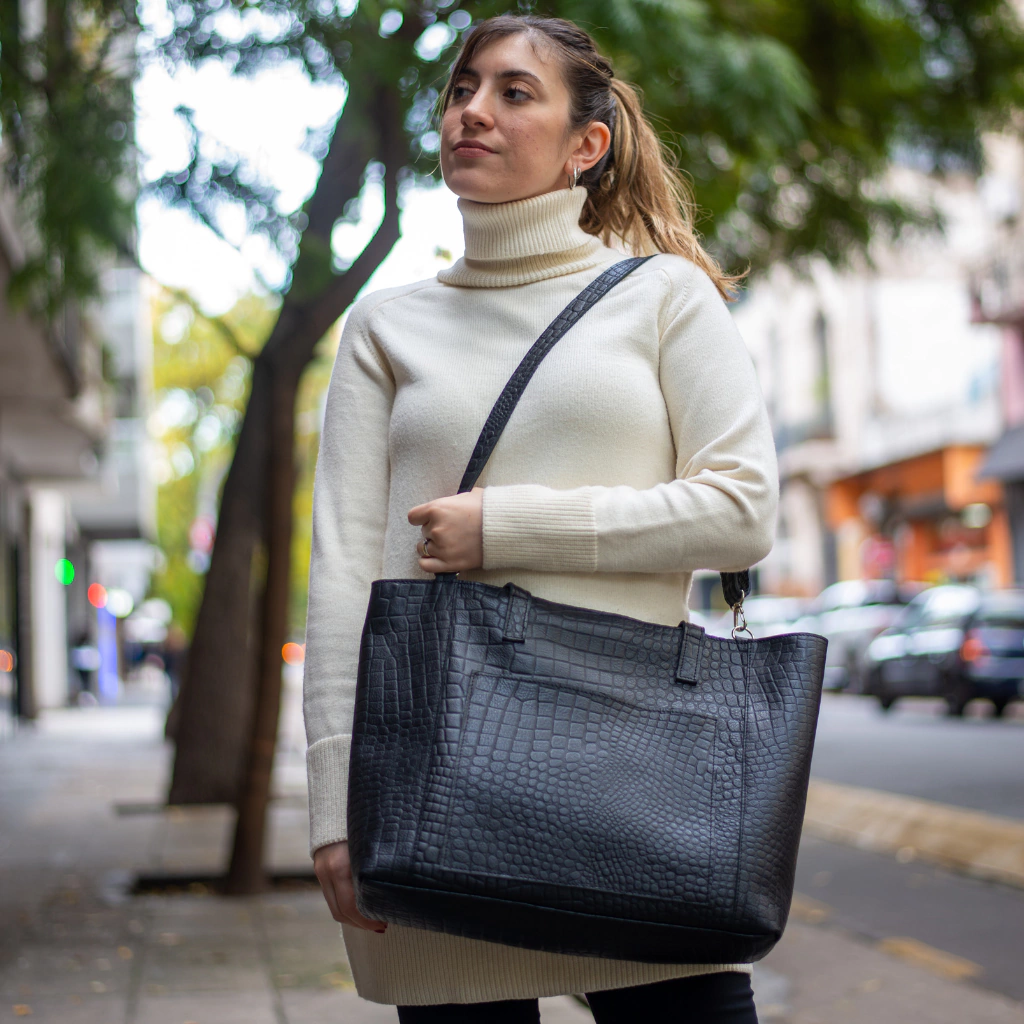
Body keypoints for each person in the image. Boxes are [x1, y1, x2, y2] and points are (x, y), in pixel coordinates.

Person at [303, 14, 778, 1023]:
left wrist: (507, 528)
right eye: (461, 88)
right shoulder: (386, 325)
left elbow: (743, 509)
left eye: (514, 92)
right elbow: (344, 570)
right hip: (434, 783)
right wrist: (333, 806)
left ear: (585, 143)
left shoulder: (663, 297)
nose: (472, 111)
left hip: (634, 786)